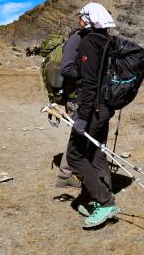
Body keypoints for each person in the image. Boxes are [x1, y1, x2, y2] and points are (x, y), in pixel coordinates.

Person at [66, 2, 119, 228]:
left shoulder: (88, 41)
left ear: (89, 19)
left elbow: (89, 84)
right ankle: (96, 197)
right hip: (106, 107)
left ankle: (105, 202)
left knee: (75, 156)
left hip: (93, 109)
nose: (79, 20)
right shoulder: (108, 41)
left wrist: (82, 118)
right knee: (96, 153)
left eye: (81, 16)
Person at [54, 16, 88, 189]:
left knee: (82, 134)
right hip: (75, 97)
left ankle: (76, 170)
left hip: (80, 95)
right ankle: (65, 174)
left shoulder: (85, 38)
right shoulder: (77, 39)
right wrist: (87, 77)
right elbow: (66, 68)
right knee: (79, 134)